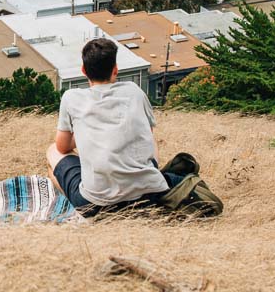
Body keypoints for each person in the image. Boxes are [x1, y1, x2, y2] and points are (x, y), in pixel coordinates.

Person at [46, 37, 184, 215]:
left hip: (94, 204)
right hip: (150, 194)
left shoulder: (71, 98)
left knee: (52, 152)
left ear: (83, 70)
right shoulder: (135, 91)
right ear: (115, 70)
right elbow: (147, 135)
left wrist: (83, 135)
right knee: (150, 138)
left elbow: (62, 147)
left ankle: (75, 208)